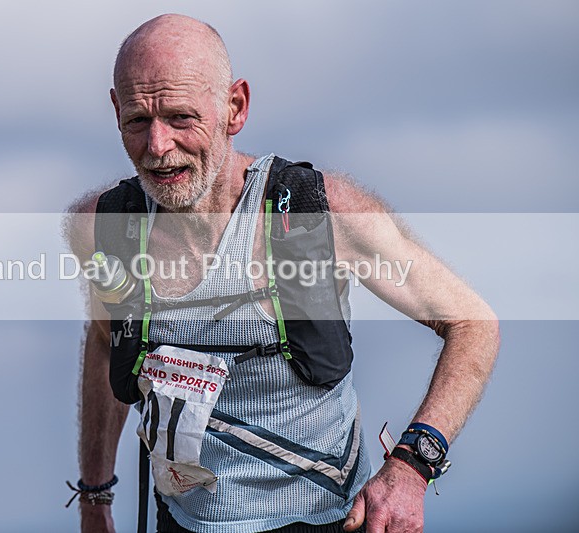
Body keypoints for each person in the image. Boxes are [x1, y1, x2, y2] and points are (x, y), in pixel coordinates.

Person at [65, 13, 499, 533]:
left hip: (325, 521)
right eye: (137, 120)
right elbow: (102, 338)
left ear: (235, 107)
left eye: (181, 118)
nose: (158, 146)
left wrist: (410, 466)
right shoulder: (103, 227)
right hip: (178, 521)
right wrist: (95, 497)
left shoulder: (321, 214)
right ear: (115, 110)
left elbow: (473, 323)